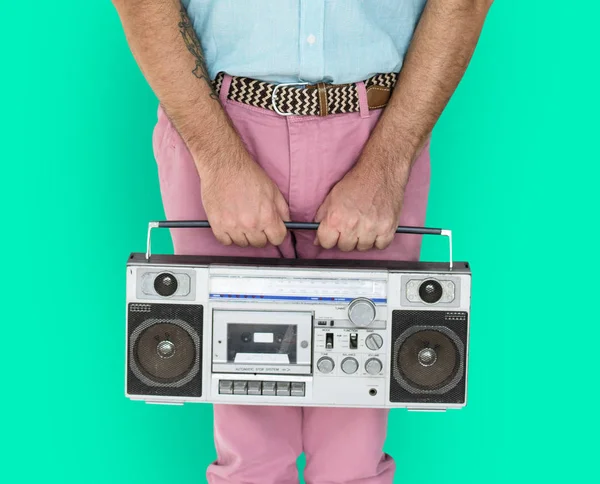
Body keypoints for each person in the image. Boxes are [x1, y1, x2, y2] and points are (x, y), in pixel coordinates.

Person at [112, 1, 493, 482]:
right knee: (249, 447)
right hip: (216, 125)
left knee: (353, 444)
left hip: (379, 131)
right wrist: (219, 160)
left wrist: (389, 163)